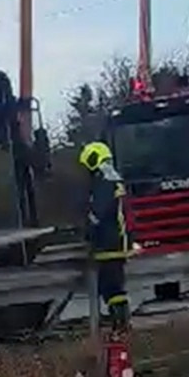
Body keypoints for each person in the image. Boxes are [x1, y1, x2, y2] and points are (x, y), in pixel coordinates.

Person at [78, 141, 132, 336]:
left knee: (110, 287)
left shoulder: (104, 182)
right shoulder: (112, 179)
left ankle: (121, 325)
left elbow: (97, 213)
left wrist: (88, 231)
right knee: (111, 285)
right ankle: (121, 324)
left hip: (109, 243)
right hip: (116, 240)